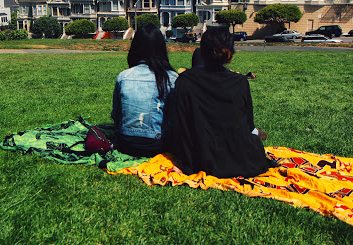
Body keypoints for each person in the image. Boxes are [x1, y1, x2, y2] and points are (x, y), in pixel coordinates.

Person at [170, 27, 274, 178]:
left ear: (202, 52)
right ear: (230, 53)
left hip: (200, 158)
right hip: (243, 158)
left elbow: (181, 125)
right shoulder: (240, 82)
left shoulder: (185, 81)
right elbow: (249, 126)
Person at [111, 23, 178, 157]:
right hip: (159, 144)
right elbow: (175, 118)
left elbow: (116, 115)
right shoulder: (171, 78)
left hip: (126, 142)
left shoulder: (124, 76)